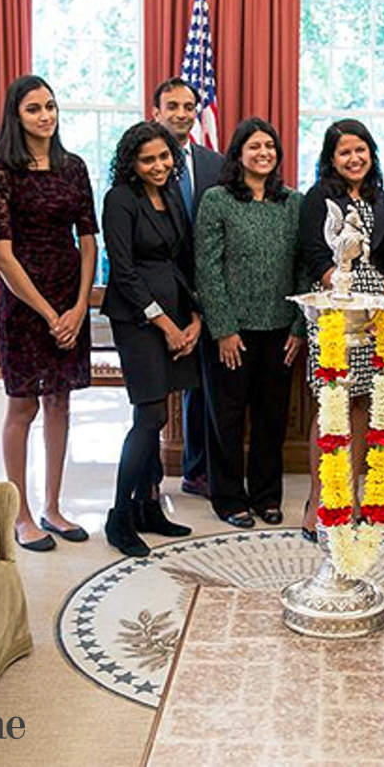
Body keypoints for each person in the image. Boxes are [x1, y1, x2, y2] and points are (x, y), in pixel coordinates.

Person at [0, 75, 97, 551]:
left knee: (61, 400)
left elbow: (89, 241)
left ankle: (52, 506)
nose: (45, 115)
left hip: (70, 294)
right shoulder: (2, 172)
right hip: (25, 300)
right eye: (34, 109)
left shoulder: (73, 167)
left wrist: (76, 306)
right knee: (24, 403)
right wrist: (50, 313)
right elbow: (1, 256)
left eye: (50, 106)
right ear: (17, 115)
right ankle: (21, 513)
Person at [298, 119, 384, 542]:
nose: (354, 158)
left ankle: (355, 497)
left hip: (376, 319)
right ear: (331, 159)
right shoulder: (317, 200)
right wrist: (352, 295)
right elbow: (313, 257)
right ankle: (319, 500)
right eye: (344, 152)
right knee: (330, 406)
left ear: (371, 154)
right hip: (333, 317)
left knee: (363, 405)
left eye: (360, 150)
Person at [195, 117, 305, 528]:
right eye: (255, 146)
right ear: (238, 154)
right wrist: (223, 328)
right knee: (225, 417)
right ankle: (227, 498)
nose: (264, 153)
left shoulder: (293, 202)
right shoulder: (217, 200)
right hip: (231, 332)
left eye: (270, 147)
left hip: (280, 331)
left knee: (271, 418)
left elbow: (304, 267)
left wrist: (298, 327)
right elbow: (207, 268)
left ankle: (266, 496)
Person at [100, 122, 198, 557]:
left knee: (161, 412)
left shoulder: (173, 195)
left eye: (163, 157)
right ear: (132, 163)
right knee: (150, 414)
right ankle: (119, 515)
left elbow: (183, 259)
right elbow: (122, 270)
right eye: (148, 160)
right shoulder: (119, 200)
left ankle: (150, 506)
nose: (158, 166)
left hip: (177, 310)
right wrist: (166, 325)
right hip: (137, 318)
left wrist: (194, 316)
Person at [152, 77, 224, 499]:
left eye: (188, 105)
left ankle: (197, 469)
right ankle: (147, 477)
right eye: (172, 106)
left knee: (203, 384)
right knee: (155, 387)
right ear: (157, 112)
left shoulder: (214, 163)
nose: (182, 113)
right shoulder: (145, 159)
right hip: (158, 290)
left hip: (204, 289)